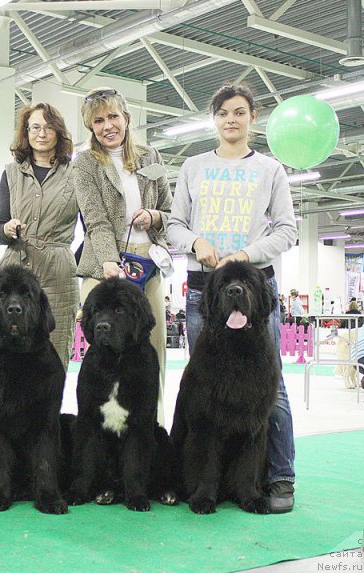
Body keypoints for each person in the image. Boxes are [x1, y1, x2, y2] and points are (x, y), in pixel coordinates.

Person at [167, 83, 298, 513]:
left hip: (256, 286)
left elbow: (287, 230)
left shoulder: (271, 170)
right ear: (214, 118)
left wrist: (245, 254)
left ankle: (277, 479)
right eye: (223, 112)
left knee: (270, 388)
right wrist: (198, 241)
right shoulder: (193, 166)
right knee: (201, 396)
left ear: (252, 118)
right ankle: (198, 483)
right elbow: (174, 226)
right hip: (207, 288)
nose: (231, 120)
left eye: (239, 112)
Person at [73, 87, 172, 424]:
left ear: (126, 119)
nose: (107, 126)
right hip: (105, 263)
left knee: (153, 350)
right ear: (91, 128)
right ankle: (98, 430)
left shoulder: (151, 157)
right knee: (101, 352)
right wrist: (109, 262)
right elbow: (95, 218)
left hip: (148, 262)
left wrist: (154, 216)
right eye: (98, 121)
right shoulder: (84, 163)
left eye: (113, 117)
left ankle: (151, 426)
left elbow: (170, 211)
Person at [0, 103, 79, 368]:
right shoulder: (10, 173)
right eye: (35, 127)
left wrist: (70, 261)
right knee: (8, 356)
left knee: (55, 352)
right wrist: (6, 230)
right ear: (26, 132)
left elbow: (93, 228)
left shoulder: (76, 175)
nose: (42, 133)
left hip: (59, 277)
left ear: (59, 132)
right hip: (15, 271)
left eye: (49, 127)